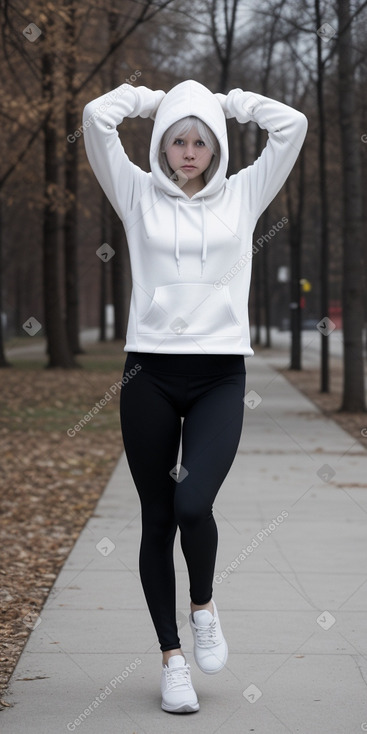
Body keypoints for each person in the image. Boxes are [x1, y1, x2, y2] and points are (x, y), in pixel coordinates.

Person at [83, 78, 307, 714]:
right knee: (157, 516)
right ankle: (171, 659)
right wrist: (148, 98)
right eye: (177, 139)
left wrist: (230, 103)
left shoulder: (243, 195)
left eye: (200, 141)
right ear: (161, 144)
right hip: (148, 375)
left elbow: (291, 125)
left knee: (192, 502)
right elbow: (96, 119)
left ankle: (203, 605)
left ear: (216, 148)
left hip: (219, 377)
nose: (188, 151)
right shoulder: (134, 194)